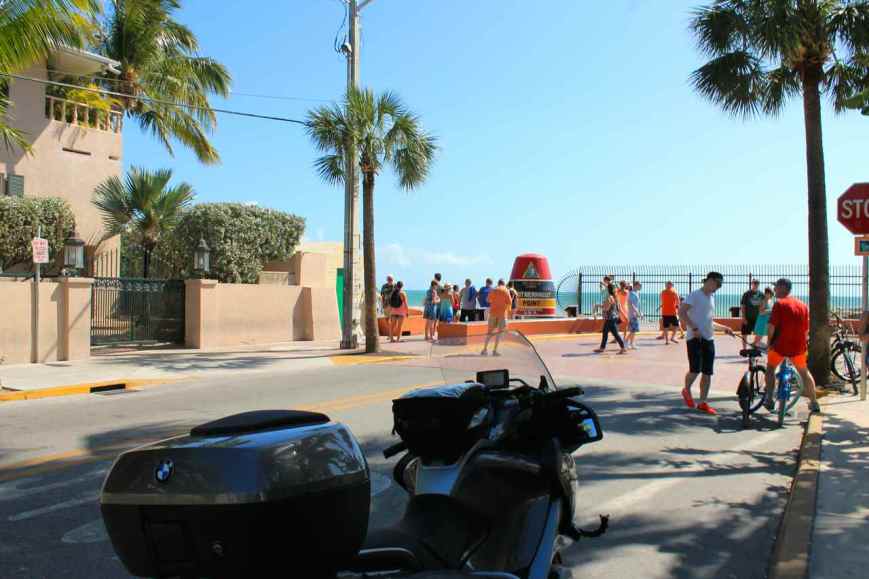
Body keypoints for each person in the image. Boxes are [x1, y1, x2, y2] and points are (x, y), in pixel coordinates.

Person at [679, 272, 735, 415]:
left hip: (709, 339)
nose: (718, 287)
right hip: (694, 338)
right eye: (718, 284)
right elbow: (682, 312)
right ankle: (686, 390)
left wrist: (724, 328)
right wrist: (694, 328)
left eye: (720, 285)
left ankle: (703, 402)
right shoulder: (695, 295)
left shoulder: (711, 298)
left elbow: (709, 320)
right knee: (695, 369)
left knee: (707, 372)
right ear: (710, 280)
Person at [764, 278, 821, 414]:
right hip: (798, 347)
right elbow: (806, 330)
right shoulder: (803, 305)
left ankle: (770, 399)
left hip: (780, 346)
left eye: (776, 287)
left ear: (783, 288)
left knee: (771, 369)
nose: (774, 289)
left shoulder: (779, 304)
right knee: (804, 373)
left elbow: (771, 327)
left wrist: (769, 343)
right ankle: (814, 402)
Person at [481, 279, 512, 356]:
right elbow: (510, 302)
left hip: (493, 313)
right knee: (499, 333)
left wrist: (495, 302)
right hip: (502, 314)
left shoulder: (493, 290)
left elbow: (488, 300)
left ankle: (484, 349)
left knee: (489, 332)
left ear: (498, 283)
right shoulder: (506, 290)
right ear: (504, 284)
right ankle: (494, 351)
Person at [594, 284, 627, 354]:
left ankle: (623, 347)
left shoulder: (610, 297)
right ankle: (602, 348)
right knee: (605, 332)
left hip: (610, 318)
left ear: (608, 290)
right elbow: (617, 308)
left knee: (615, 334)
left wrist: (599, 307)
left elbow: (607, 308)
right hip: (613, 317)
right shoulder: (615, 297)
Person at [740, 279, 763, 349]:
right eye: (754, 283)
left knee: (760, 333)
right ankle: (744, 348)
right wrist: (744, 318)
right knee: (744, 334)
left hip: (758, 318)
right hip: (747, 318)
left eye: (757, 283)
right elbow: (743, 306)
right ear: (751, 284)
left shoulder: (761, 294)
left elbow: (763, 306)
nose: (755, 285)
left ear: (758, 285)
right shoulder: (746, 294)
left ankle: (754, 346)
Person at [626, 281, 642, 349]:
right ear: (636, 285)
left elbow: (637, 305)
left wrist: (640, 312)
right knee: (633, 330)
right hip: (632, 314)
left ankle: (631, 344)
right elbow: (630, 303)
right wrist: (637, 312)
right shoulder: (632, 293)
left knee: (634, 330)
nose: (641, 286)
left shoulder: (636, 293)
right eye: (640, 285)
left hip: (635, 314)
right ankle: (625, 341)